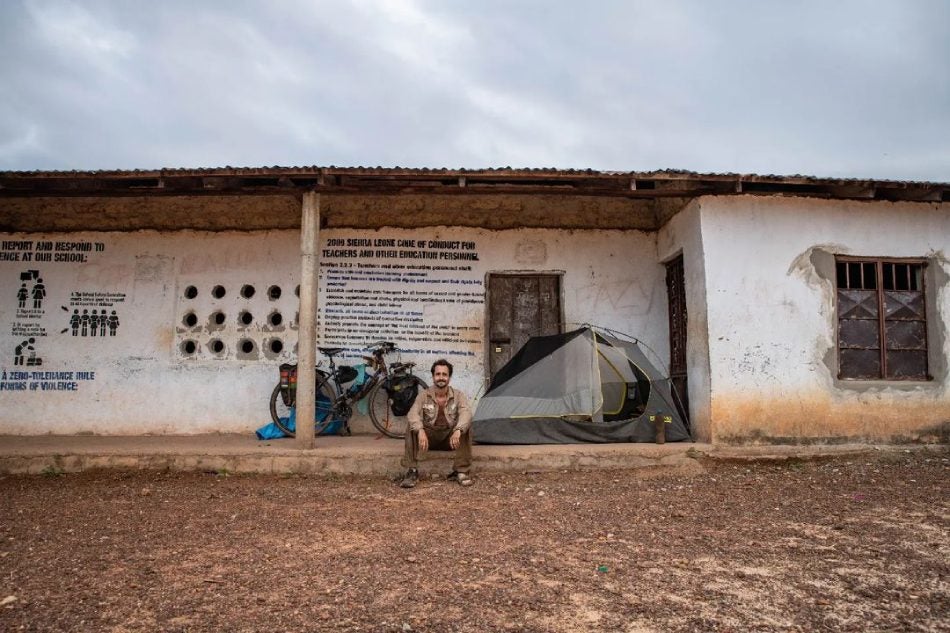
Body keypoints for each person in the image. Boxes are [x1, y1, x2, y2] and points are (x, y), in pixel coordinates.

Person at [400, 359, 473, 488]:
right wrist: (420, 430)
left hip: (450, 440)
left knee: (465, 426)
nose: (441, 378)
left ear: (449, 377)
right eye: (438, 374)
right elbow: (412, 413)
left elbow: (466, 413)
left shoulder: (458, 395)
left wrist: (458, 430)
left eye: (444, 374)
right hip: (428, 440)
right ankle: (412, 471)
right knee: (412, 426)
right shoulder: (423, 395)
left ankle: (462, 471)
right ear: (433, 377)